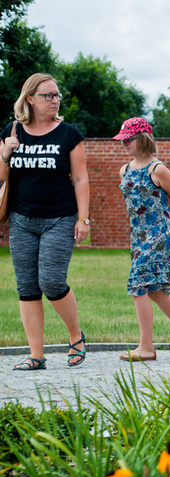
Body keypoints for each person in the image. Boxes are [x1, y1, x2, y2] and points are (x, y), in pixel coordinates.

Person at [0, 73, 90, 371]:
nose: (54, 100)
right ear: (30, 99)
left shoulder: (68, 134)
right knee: (27, 286)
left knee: (51, 281)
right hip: (21, 219)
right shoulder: (12, 132)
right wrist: (5, 152)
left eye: (57, 96)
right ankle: (36, 355)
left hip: (60, 219)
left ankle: (75, 335)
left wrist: (83, 218)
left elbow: (80, 178)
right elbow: (1, 178)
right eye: (48, 96)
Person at [113, 117, 170, 362]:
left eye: (128, 139)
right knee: (155, 290)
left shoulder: (157, 169)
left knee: (138, 285)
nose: (124, 144)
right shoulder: (125, 170)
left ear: (142, 139)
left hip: (159, 233)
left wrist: (161, 200)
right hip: (138, 234)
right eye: (122, 140)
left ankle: (146, 347)